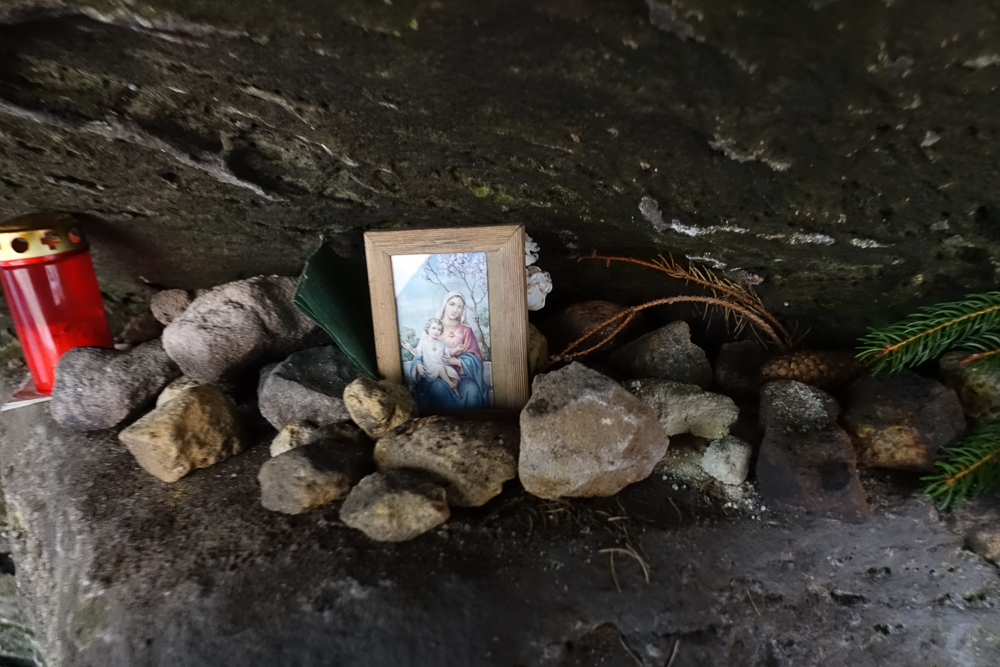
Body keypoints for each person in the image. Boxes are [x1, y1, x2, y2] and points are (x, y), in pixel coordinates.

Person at [409, 291, 490, 410]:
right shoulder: (434, 327)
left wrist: (458, 362)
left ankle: (472, 420)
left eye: (460, 307)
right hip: (435, 376)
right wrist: (418, 365)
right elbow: (419, 352)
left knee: (472, 390)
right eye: (452, 304)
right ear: (445, 305)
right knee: (438, 388)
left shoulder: (466, 330)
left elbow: (476, 357)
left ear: (463, 310)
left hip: (461, 377)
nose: (455, 309)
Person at [402, 318, 462, 399]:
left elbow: (449, 352)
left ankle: (454, 390)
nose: (436, 331)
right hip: (430, 367)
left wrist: (457, 349)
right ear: (428, 329)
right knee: (440, 368)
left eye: (439, 329)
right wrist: (410, 348)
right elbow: (417, 353)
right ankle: (449, 383)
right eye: (434, 328)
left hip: (442, 365)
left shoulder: (441, 343)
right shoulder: (423, 342)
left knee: (454, 374)